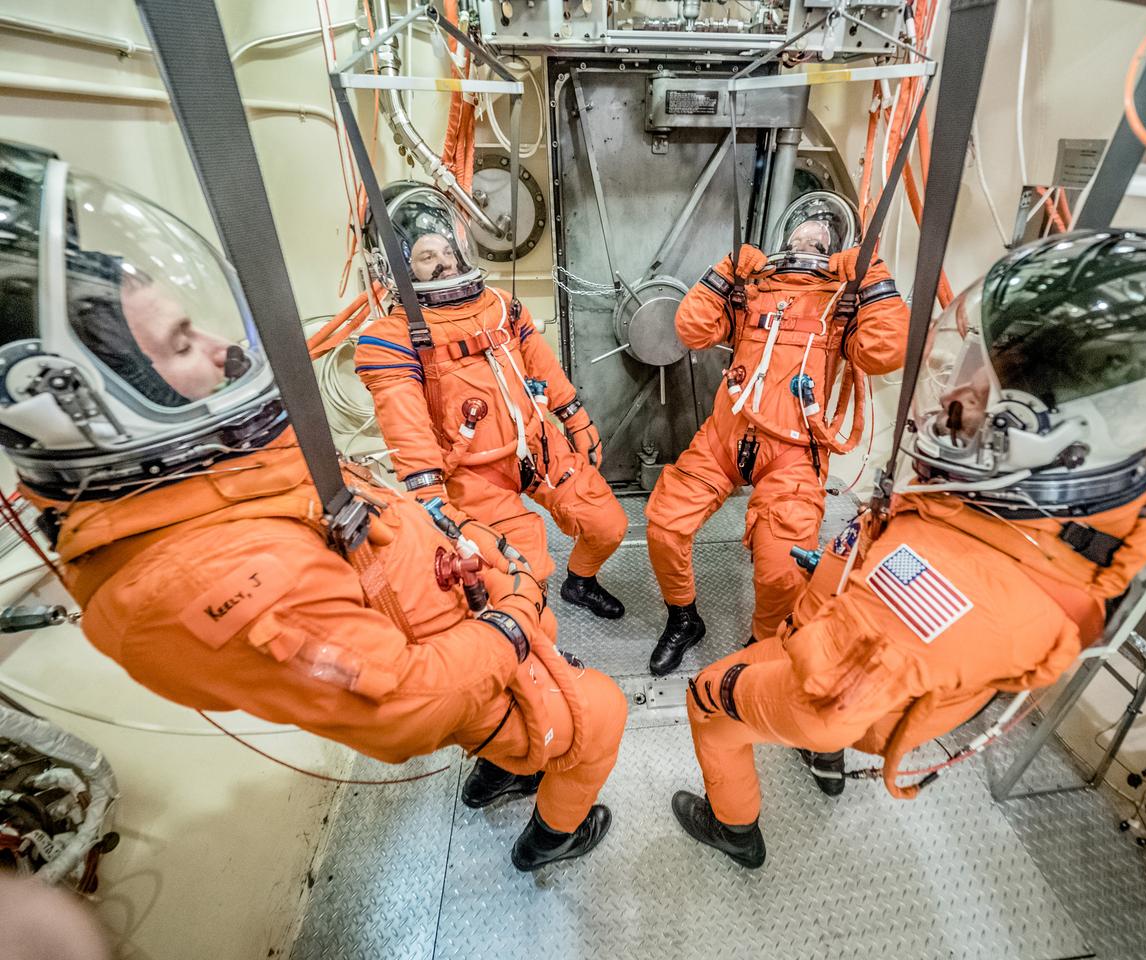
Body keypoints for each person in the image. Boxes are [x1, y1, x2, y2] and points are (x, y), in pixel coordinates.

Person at [0, 142, 627, 871]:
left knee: (596, 537)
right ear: (79, 403)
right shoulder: (190, 581)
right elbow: (406, 697)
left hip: (461, 561)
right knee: (600, 713)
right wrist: (506, 598)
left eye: (447, 251)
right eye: (180, 342)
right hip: (459, 598)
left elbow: (357, 499)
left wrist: (556, 443)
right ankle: (548, 840)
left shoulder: (217, 469)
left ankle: (508, 764)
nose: (224, 353)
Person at [669, 229, 1146, 869]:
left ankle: (733, 827)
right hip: (856, 611)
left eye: (974, 384)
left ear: (1028, 430)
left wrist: (780, 663)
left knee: (707, 700)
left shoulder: (936, 592)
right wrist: (833, 576)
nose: (953, 402)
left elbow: (830, 691)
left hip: (840, 679)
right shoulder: (1061, 510)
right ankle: (811, 748)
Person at [644, 192, 910, 676]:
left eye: (821, 238)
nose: (809, 240)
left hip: (792, 452)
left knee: (781, 570)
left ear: (836, 249)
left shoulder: (842, 304)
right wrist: (726, 270)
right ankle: (684, 619)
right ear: (784, 239)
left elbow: (885, 353)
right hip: (725, 437)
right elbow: (691, 329)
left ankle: (761, 645)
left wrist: (871, 276)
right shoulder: (751, 290)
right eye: (801, 234)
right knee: (665, 525)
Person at [353, 183, 627, 621]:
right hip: (472, 475)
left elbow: (543, 369)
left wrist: (574, 418)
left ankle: (581, 581)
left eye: (447, 250)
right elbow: (406, 427)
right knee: (524, 577)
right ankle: (532, 653)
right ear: (396, 268)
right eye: (427, 257)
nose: (443, 263)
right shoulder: (392, 339)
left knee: (608, 525)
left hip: (536, 448)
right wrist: (431, 500)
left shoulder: (499, 306)